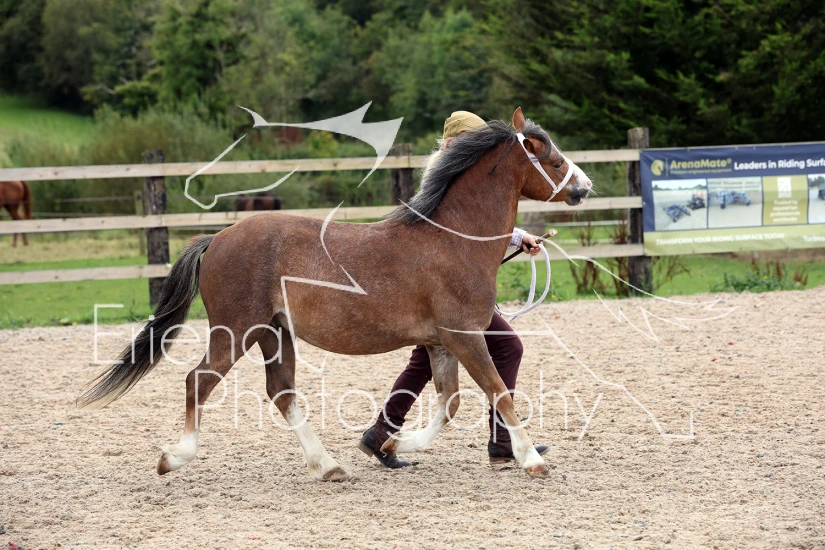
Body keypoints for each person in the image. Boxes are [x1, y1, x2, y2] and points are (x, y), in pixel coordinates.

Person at [358, 111, 549, 468]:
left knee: (428, 359)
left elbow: (479, 223)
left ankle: (383, 430)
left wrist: (519, 237)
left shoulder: (462, 171)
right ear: (452, 143)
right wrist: (517, 237)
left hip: (448, 286)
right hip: (447, 287)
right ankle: (502, 441)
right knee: (504, 347)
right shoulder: (445, 171)